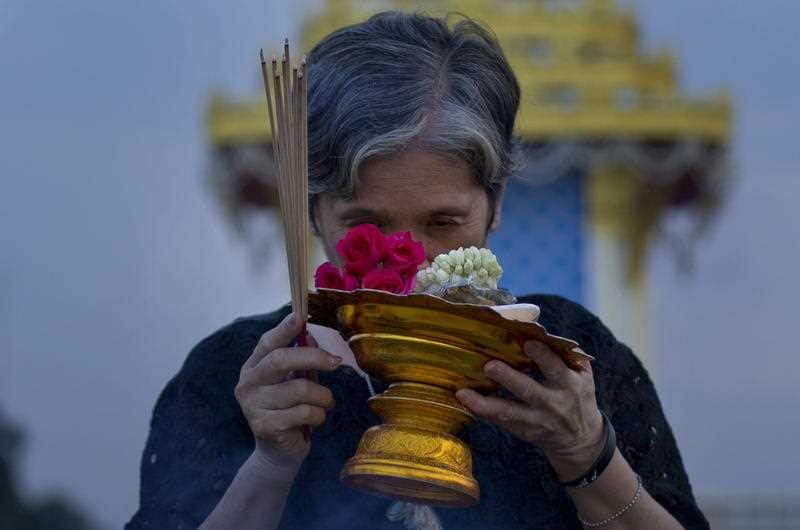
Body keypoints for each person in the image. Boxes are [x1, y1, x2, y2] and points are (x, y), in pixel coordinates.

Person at [127, 12, 709, 530]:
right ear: (311, 211)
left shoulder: (566, 367)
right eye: (367, 222)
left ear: (496, 206)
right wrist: (270, 463)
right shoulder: (235, 376)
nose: (406, 256)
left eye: (443, 221)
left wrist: (588, 455)